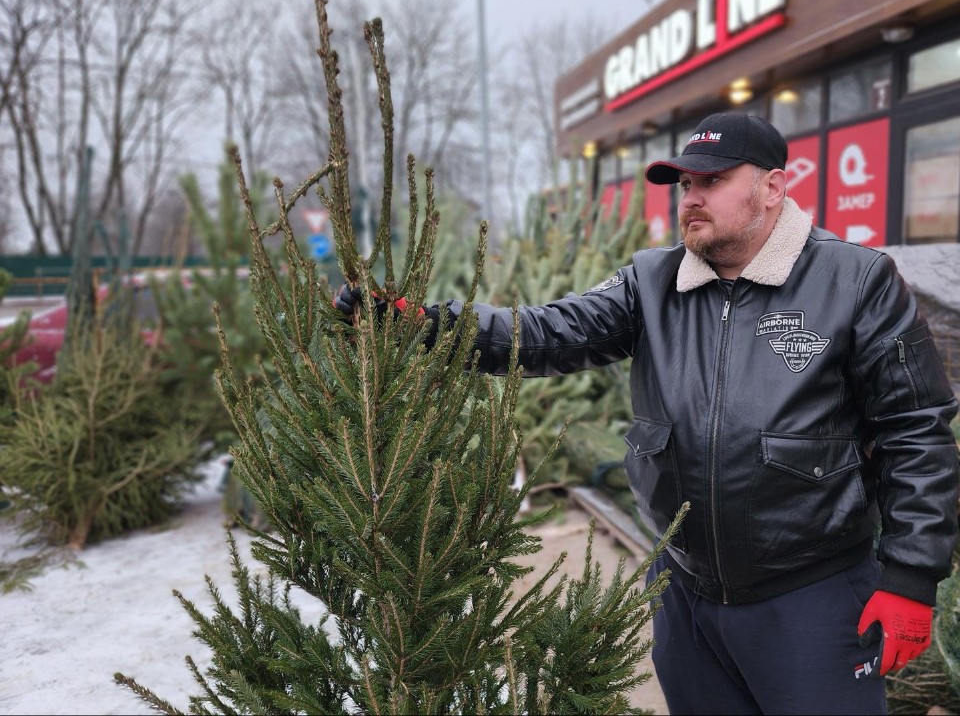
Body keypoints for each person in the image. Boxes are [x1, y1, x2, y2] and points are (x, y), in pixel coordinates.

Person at [335, 111, 959, 715]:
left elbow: (917, 431)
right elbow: (547, 333)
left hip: (812, 597)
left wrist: (911, 574)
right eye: (686, 183)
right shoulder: (652, 281)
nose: (692, 196)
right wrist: (422, 326)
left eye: (713, 180)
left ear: (773, 187)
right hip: (685, 594)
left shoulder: (856, 281)